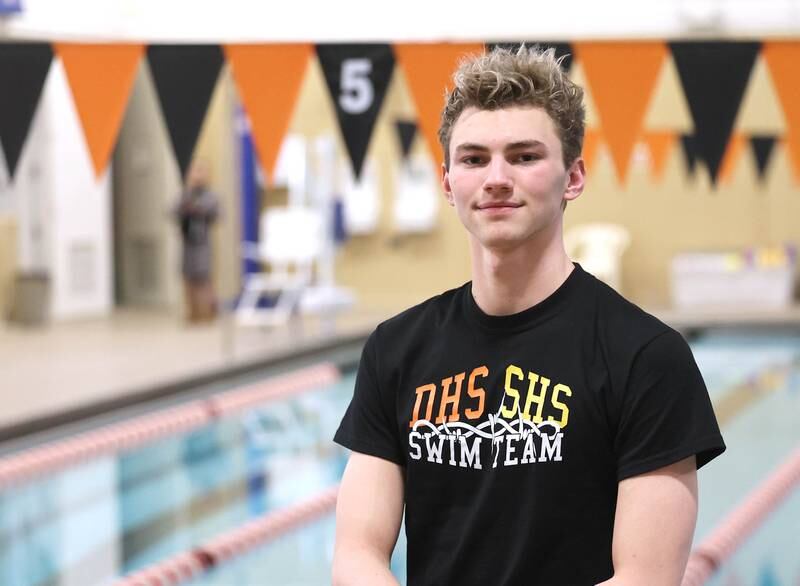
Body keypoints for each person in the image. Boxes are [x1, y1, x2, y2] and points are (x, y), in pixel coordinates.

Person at [332, 46, 725, 586]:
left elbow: (645, 578)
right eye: (473, 159)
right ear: (448, 184)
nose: (496, 177)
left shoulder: (645, 356)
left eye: (523, 156)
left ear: (573, 178)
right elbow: (356, 554)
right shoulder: (396, 348)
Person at [174, 160, 220, 322]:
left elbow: (216, 213)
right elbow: (174, 210)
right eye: (195, 171)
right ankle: (192, 313)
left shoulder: (210, 195)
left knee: (203, 278)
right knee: (188, 277)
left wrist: (199, 209)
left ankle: (207, 313)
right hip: (188, 242)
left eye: (201, 171)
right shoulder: (185, 194)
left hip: (202, 241)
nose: (198, 175)